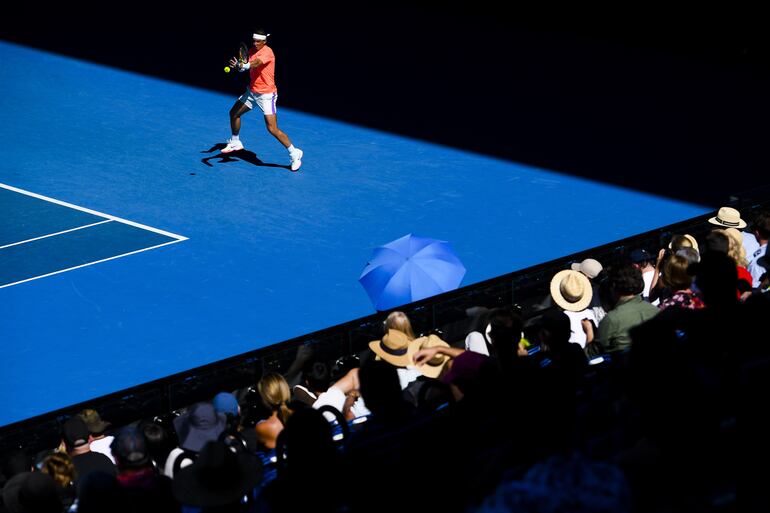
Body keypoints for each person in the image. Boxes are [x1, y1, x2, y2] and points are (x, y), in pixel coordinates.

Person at [222, 28, 304, 172]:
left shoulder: (268, 52)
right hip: (252, 92)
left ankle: (294, 152)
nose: (255, 43)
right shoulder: (252, 50)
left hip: (266, 95)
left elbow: (255, 63)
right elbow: (246, 67)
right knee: (234, 113)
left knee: (272, 128)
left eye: (258, 41)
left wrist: (245, 65)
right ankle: (235, 142)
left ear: (264, 41)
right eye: (254, 41)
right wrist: (238, 67)